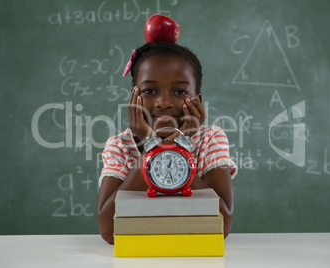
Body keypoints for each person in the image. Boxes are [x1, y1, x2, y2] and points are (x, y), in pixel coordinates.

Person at [96, 42, 237, 244]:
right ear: (133, 99)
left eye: (180, 92)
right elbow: (108, 230)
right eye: (149, 91)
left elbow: (222, 224)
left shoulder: (210, 139)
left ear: (197, 100)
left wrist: (177, 146)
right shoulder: (120, 145)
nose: (163, 102)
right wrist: (153, 149)